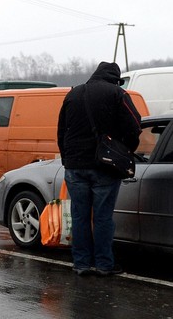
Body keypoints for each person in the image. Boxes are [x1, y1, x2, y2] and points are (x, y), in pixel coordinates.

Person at [57, 61, 143, 277]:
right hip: (104, 165)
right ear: (115, 79)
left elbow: (61, 131)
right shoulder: (117, 94)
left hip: (75, 166)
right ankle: (104, 265)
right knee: (103, 217)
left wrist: (67, 159)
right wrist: (124, 150)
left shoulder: (73, 94)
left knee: (80, 217)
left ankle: (81, 264)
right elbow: (135, 125)